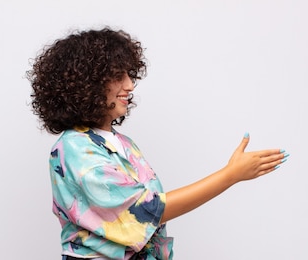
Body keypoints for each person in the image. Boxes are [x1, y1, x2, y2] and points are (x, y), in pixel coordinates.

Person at [27, 27, 289, 260]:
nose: (130, 85)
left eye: (130, 74)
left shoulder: (123, 144)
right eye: (118, 76)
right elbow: (145, 211)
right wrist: (230, 175)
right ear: (86, 83)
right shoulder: (74, 149)